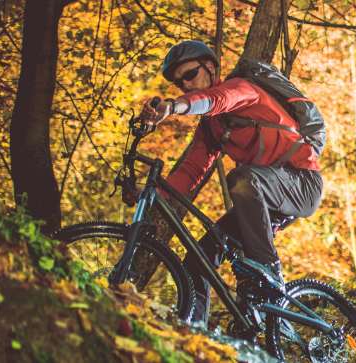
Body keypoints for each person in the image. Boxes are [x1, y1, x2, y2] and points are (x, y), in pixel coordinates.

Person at [138, 40, 324, 325]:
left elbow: (216, 100)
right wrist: (152, 192)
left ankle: (267, 271)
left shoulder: (242, 89)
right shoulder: (210, 128)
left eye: (190, 75)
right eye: (179, 84)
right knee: (197, 262)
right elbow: (191, 170)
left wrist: (174, 106)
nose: (186, 85)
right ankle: (195, 334)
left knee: (240, 177)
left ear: (210, 68)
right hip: (258, 200)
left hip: (300, 183)